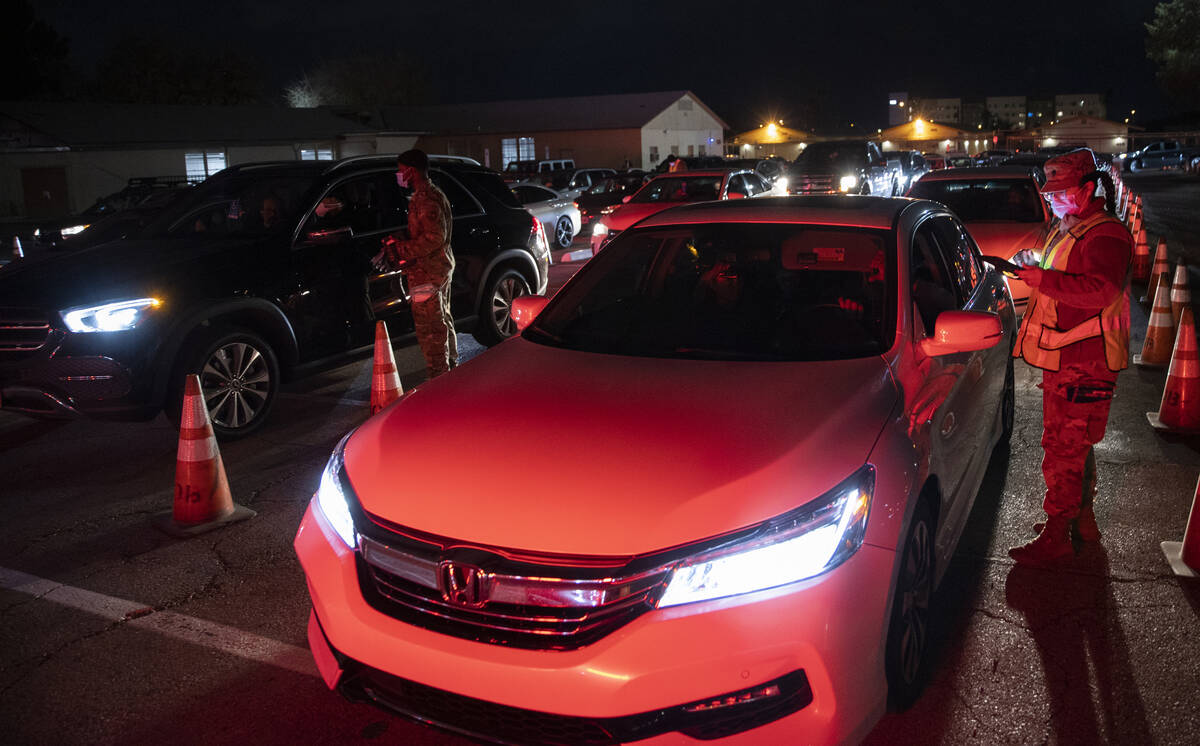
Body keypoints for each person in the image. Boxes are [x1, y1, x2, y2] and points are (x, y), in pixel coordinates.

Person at [1008, 148, 1132, 565]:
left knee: (1063, 449)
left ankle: (1057, 535)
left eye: (1062, 192)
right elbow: (1066, 274)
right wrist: (1036, 266)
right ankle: (1082, 520)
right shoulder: (1072, 228)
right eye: (1051, 193)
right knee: (1076, 446)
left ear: (1087, 188)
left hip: (1084, 360)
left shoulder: (1105, 234)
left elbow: (1101, 290)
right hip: (1070, 358)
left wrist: (1042, 278)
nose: (1054, 199)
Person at [374, 149, 457, 379]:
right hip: (436, 269)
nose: (400, 175)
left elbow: (433, 237)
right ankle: (450, 371)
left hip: (427, 272)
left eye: (401, 171)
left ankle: (439, 378)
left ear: (411, 171)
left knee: (430, 328)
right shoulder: (430, 194)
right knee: (442, 320)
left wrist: (399, 249)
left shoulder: (426, 199)